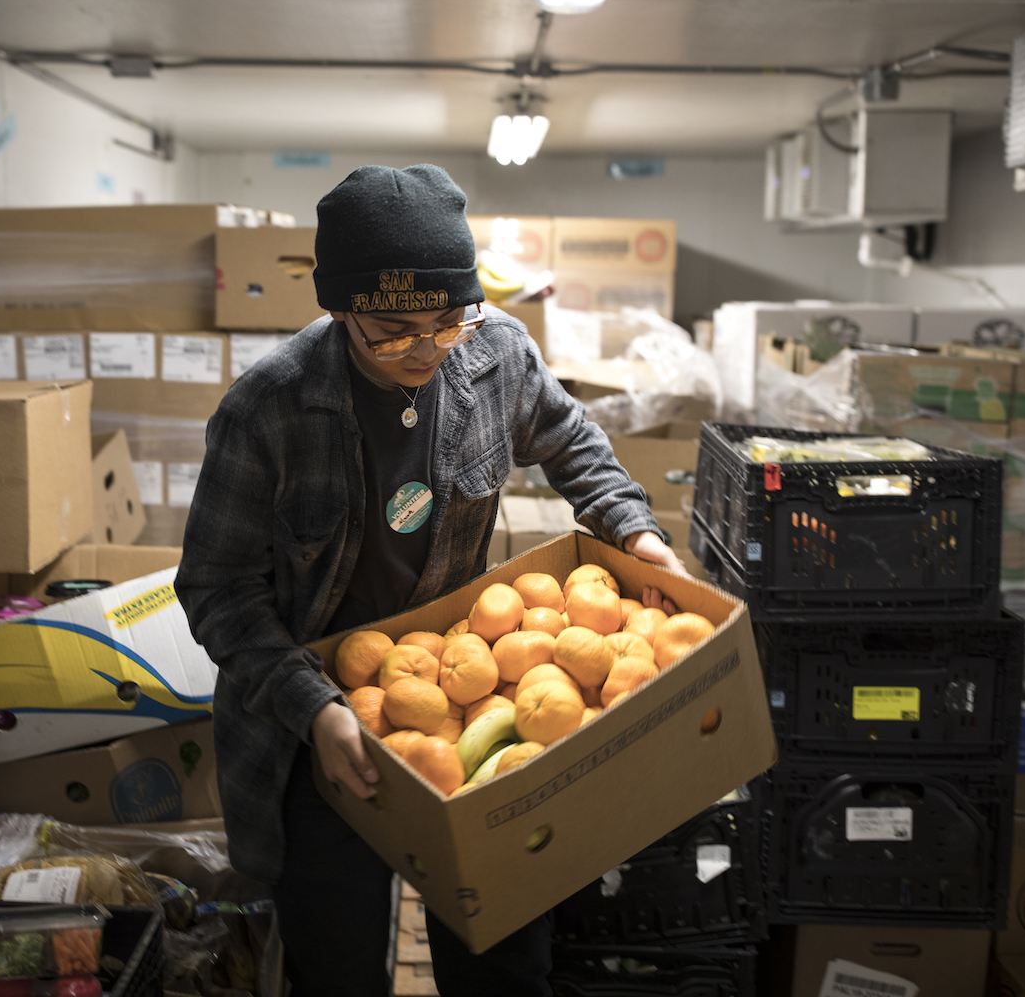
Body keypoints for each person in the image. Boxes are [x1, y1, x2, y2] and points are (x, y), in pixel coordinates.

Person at [174, 164, 686, 997]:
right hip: (320, 732)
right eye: (393, 330)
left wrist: (634, 527)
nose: (426, 349)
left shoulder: (495, 354)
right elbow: (215, 588)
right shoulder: (269, 408)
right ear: (338, 308)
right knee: (336, 966)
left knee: (503, 956)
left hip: (464, 692)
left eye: (448, 322)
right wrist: (315, 708)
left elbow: (572, 441)